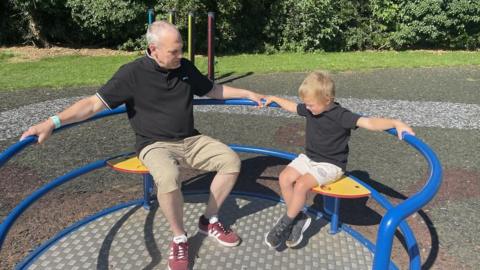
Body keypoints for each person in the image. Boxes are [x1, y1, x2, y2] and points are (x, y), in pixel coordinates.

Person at [20, 21, 265, 270]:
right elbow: (93, 104)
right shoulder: (131, 74)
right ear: (153, 49)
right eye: (173, 52)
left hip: (190, 138)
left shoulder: (184, 67)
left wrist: (247, 94)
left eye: (181, 49)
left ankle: (209, 219)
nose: (180, 56)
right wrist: (52, 122)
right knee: (169, 176)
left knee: (230, 161)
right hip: (154, 143)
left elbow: (212, 89)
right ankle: (179, 237)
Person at [263, 71, 414, 249]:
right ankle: (298, 218)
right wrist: (274, 98)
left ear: (327, 99)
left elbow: (369, 123)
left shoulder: (342, 115)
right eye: (306, 104)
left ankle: (285, 223)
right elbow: (292, 106)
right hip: (310, 158)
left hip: (331, 165)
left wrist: (396, 123)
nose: (307, 108)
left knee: (302, 185)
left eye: (310, 105)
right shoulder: (311, 108)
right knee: (284, 177)